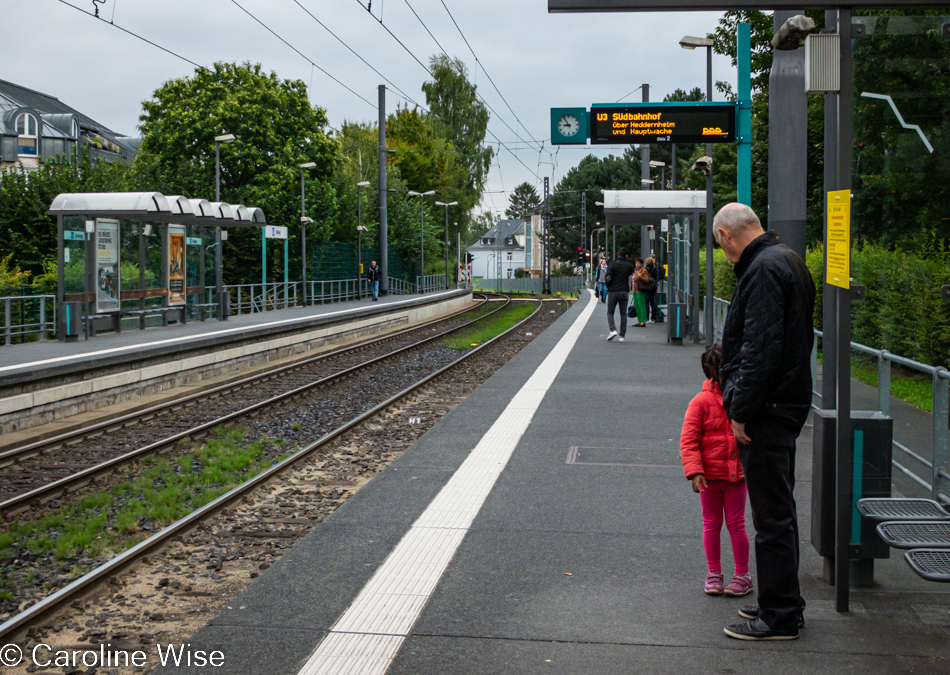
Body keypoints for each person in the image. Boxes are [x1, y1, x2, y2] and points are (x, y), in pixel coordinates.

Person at [714, 203, 815, 641]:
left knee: (771, 516)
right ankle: (782, 600)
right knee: (780, 510)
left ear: (725, 235)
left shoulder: (760, 271)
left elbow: (759, 349)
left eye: (720, 244)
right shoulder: (787, 259)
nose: (723, 252)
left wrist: (739, 410)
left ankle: (779, 616)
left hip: (767, 411)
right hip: (784, 404)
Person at [680, 343, 752, 598]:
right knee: (713, 524)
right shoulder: (701, 401)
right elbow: (689, 439)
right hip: (710, 477)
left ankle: (742, 574)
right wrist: (695, 471)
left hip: (735, 475)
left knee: (735, 524)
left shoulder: (743, 398)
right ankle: (714, 573)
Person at [604, 249, 634, 342]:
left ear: (618, 254)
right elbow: (630, 274)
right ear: (626, 256)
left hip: (613, 291)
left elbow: (608, 278)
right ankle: (622, 336)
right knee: (623, 314)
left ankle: (613, 330)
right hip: (624, 292)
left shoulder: (612, 264)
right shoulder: (629, 266)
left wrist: (608, 286)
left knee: (610, 312)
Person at [631, 257, 650, 328]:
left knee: (641, 306)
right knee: (637, 306)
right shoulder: (635, 271)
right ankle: (639, 320)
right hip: (634, 290)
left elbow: (647, 280)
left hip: (640, 290)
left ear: (641, 264)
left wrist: (640, 276)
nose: (637, 264)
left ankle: (643, 321)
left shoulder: (644, 271)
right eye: (636, 263)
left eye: (638, 263)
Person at [644, 255, 660, 323]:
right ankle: (653, 318)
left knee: (646, 303)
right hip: (653, 288)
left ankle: (647, 318)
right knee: (652, 303)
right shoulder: (655, 269)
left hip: (647, 288)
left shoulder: (645, 270)